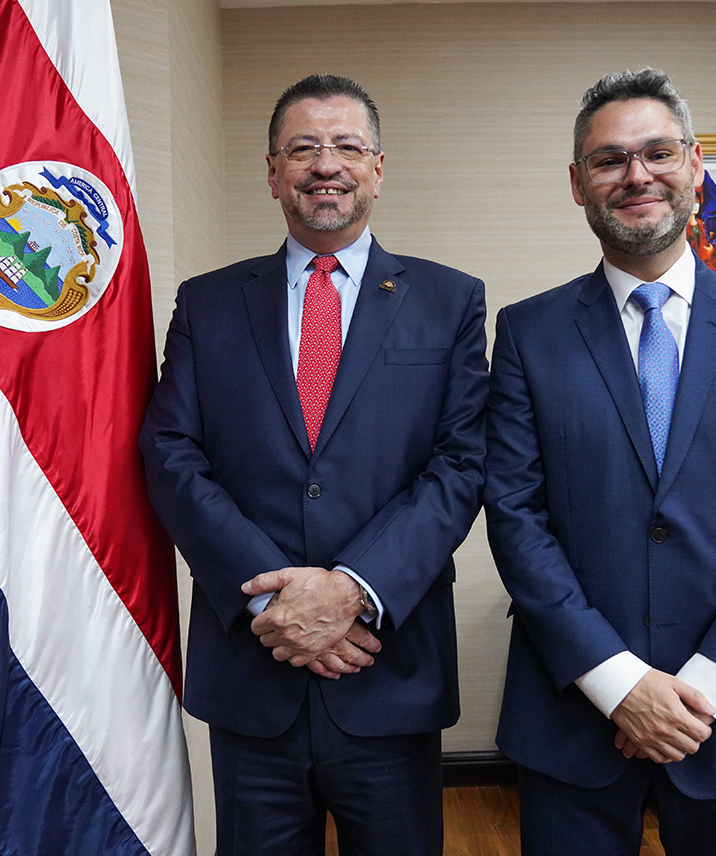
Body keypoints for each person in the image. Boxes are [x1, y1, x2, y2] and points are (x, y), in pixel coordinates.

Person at [484, 68, 716, 856]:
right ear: (578, 184)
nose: (636, 175)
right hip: (573, 720)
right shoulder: (527, 333)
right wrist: (618, 684)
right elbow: (515, 517)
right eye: (610, 160)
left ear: (695, 163)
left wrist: (705, 690)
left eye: (657, 152)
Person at [139, 74, 488, 855]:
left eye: (346, 147)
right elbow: (169, 452)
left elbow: (461, 463)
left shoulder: (450, 301)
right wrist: (273, 603)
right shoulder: (207, 303)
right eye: (302, 148)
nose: (325, 164)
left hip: (388, 670)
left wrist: (350, 592)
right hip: (251, 676)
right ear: (272, 173)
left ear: (378, 168)